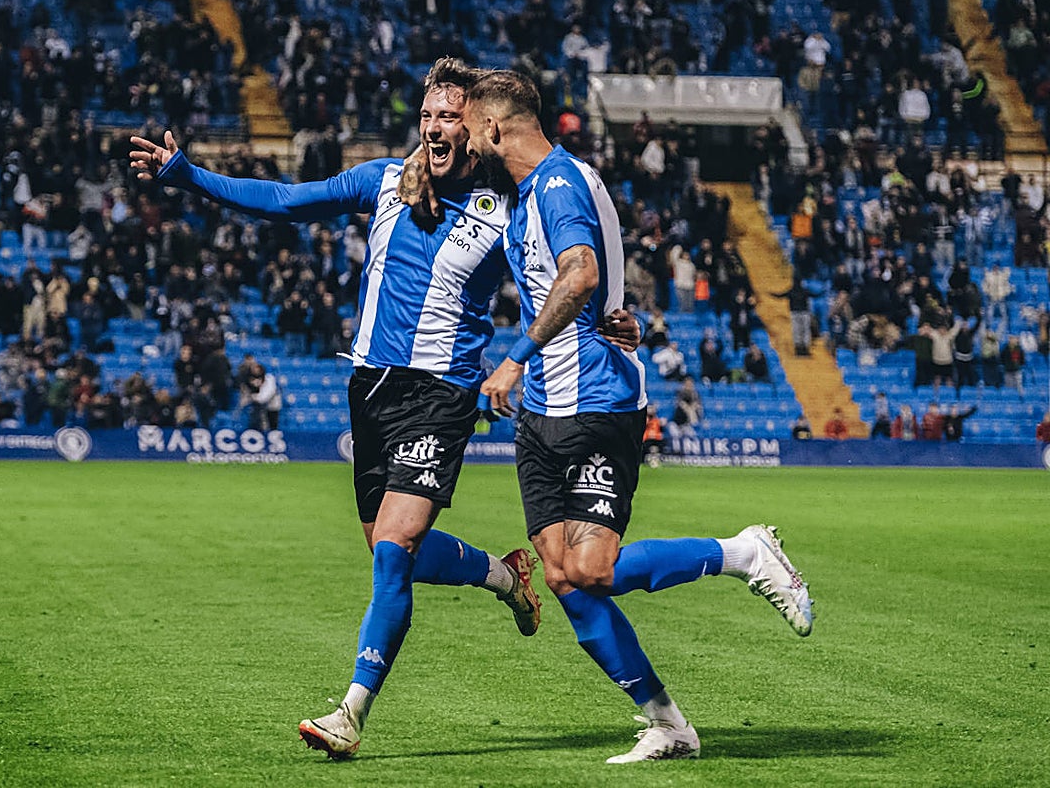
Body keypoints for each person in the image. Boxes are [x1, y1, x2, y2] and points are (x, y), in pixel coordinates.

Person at [132, 57, 639, 760]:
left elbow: (568, 270)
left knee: (394, 551)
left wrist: (616, 320)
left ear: (478, 129)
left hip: (443, 395)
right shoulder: (382, 182)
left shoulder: (506, 208)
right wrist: (186, 173)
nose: (435, 127)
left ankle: (351, 712)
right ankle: (503, 573)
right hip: (371, 390)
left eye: (449, 118)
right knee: (385, 547)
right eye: (427, 115)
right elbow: (284, 198)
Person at [465, 69, 813, 764]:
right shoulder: (542, 189)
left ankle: (742, 553)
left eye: (471, 125)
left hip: (593, 400)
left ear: (496, 126)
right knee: (561, 576)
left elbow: (583, 273)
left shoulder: (558, 184)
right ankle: (669, 725)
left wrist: (514, 356)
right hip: (542, 409)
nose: (468, 138)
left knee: (591, 571)